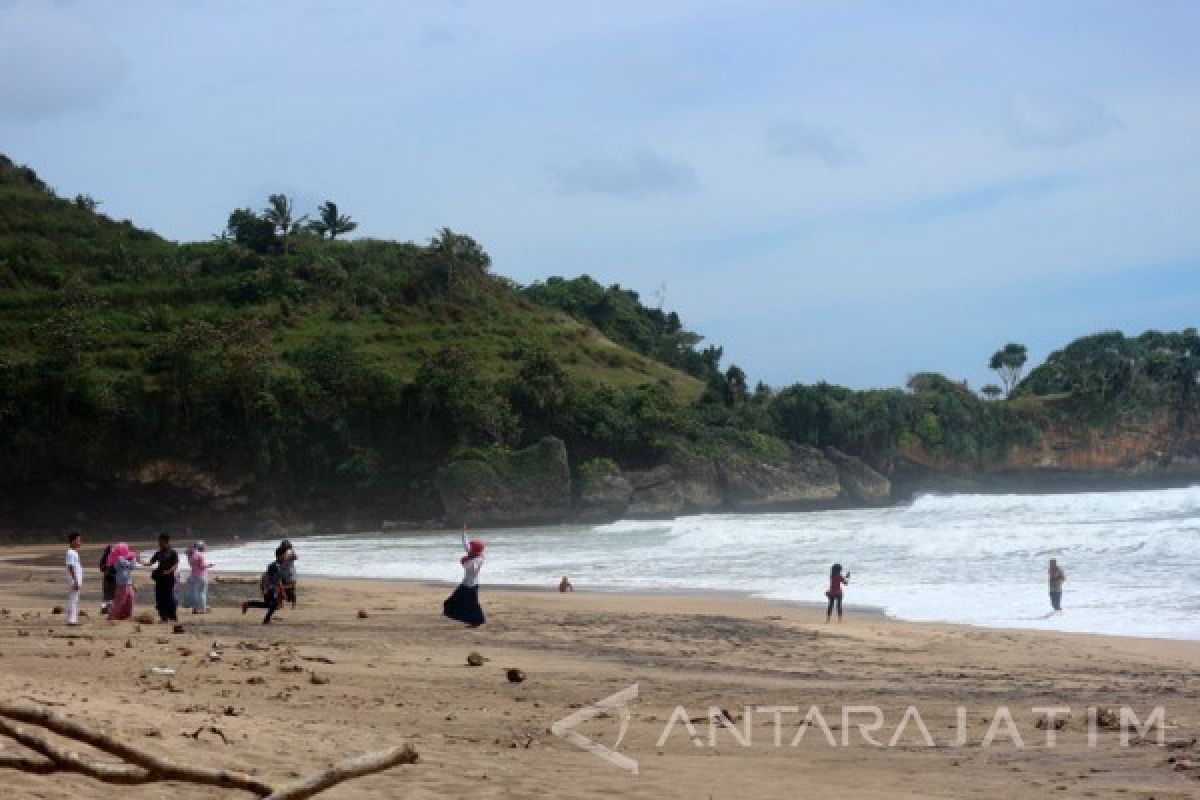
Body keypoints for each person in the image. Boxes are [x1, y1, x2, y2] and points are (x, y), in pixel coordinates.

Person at [443, 528, 486, 627]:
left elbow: (471, 569)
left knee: (471, 605)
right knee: (456, 603)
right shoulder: (473, 555)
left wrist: (464, 560)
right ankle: (476, 621)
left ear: (474, 550)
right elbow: (466, 544)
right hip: (467, 585)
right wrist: (464, 532)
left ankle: (477, 621)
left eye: (471, 547)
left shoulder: (477, 560)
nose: (469, 548)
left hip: (470, 586)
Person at [142, 534, 179, 623]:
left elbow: (175, 565)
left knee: (169, 597)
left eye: (160, 541)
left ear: (166, 541)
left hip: (169, 578)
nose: (158, 543)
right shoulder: (158, 553)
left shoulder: (173, 552)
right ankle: (163, 617)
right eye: (158, 541)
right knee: (159, 597)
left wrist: (169, 571)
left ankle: (172, 616)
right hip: (159, 578)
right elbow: (150, 563)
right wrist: (140, 561)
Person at [242, 553, 285, 625]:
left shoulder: (279, 566)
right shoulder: (273, 565)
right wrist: (264, 588)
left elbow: (278, 579)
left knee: (268, 604)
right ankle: (266, 620)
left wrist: (281, 589)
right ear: (279, 556)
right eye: (284, 556)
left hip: (274, 588)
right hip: (270, 588)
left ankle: (249, 604)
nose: (285, 557)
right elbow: (266, 576)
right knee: (274, 604)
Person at [107, 543, 139, 621]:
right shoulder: (119, 560)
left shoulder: (121, 559)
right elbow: (131, 566)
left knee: (129, 599)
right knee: (120, 600)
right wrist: (134, 558)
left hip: (127, 582)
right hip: (122, 583)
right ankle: (113, 615)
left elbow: (129, 569)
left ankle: (125, 614)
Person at [185, 541, 213, 614]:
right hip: (201, 576)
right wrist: (209, 565)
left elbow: (193, 566)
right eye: (204, 547)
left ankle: (195, 609)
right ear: (201, 547)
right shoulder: (200, 555)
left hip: (193, 575)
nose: (205, 548)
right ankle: (202, 609)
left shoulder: (190, 555)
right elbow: (202, 566)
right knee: (202, 593)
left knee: (195, 593)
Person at [64, 531, 83, 626]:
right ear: (72, 541)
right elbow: (70, 567)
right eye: (78, 540)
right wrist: (75, 580)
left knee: (74, 599)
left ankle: (73, 619)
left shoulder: (73, 552)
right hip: (74, 579)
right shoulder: (71, 553)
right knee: (73, 598)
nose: (80, 542)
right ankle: (71, 620)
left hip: (75, 578)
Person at [276, 540, 298, 610]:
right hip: (282, 574)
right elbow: (278, 560)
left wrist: (291, 549)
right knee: (280, 589)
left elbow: (296, 557)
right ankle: (280, 604)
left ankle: (293, 604)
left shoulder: (290, 553)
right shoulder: (279, 551)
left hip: (290, 575)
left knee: (291, 591)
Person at [98, 543, 117, 615]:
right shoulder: (114, 558)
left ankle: (105, 608)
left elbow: (101, 568)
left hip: (106, 578)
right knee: (111, 594)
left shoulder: (104, 558)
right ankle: (109, 609)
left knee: (106, 594)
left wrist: (106, 569)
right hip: (111, 579)